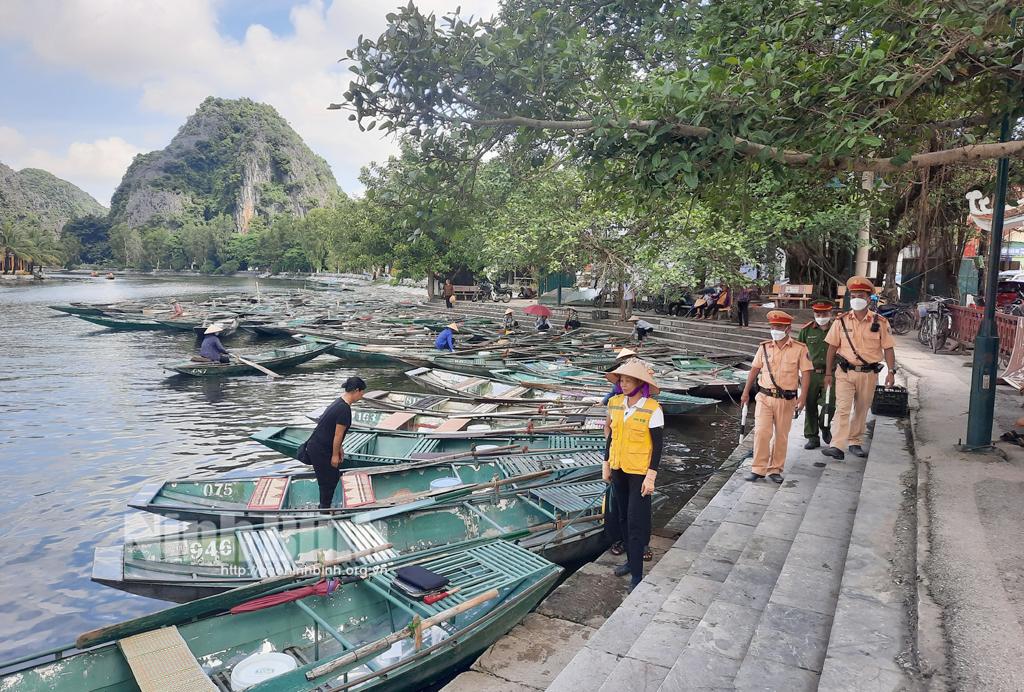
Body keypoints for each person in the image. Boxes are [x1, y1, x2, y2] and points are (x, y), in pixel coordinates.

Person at [603, 359, 664, 591]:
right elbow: (611, 437)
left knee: (637, 522)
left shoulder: (652, 409)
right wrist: (606, 464)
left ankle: (637, 574)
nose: (624, 384)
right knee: (622, 519)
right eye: (622, 380)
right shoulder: (615, 403)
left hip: (639, 474)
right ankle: (630, 561)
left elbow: (657, 446)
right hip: (618, 470)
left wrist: (651, 476)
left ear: (640, 383)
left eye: (628, 381)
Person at [821, 276, 897, 461]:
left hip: (869, 373)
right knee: (843, 408)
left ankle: (855, 441)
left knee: (862, 409)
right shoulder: (841, 321)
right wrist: (828, 372)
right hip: (845, 372)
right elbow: (832, 347)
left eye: (860, 295)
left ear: (869, 297)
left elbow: (888, 348)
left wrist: (891, 372)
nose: (856, 298)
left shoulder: (880, 322)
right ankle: (837, 445)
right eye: (853, 295)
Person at [740, 310, 813, 483]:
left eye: (778, 326)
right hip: (764, 397)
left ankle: (775, 469)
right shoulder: (764, 347)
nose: (775, 330)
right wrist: (745, 392)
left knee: (781, 435)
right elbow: (754, 370)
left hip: (786, 399)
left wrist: (803, 397)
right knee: (762, 433)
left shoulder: (799, 349)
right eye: (773, 326)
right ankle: (758, 469)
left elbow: (806, 373)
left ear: (787, 328)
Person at [299, 376, 367, 508]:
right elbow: (337, 434)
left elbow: (333, 431)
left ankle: (326, 506)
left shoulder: (339, 402)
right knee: (328, 480)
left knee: (332, 476)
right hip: (320, 449)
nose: (362, 395)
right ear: (356, 390)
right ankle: (324, 510)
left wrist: (340, 448)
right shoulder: (344, 409)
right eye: (362, 392)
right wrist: (335, 455)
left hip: (319, 445)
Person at [796, 299, 838, 451]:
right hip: (811, 373)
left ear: (830, 313)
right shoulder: (806, 330)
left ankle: (825, 425)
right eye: (818, 313)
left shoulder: (836, 329)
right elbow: (798, 352)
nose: (821, 316)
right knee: (810, 404)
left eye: (824, 313)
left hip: (831, 373)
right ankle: (812, 437)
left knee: (830, 403)